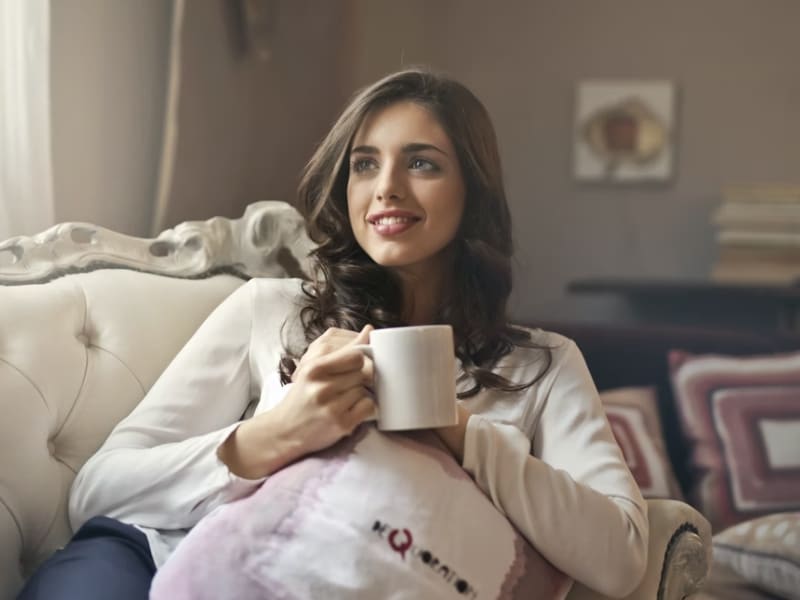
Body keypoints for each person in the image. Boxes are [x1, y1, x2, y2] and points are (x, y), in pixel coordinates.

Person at [17, 68, 648, 599]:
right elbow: (99, 488)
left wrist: (461, 434)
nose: (386, 189)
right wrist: (273, 435)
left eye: (422, 163)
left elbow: (621, 557)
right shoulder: (271, 310)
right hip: (155, 559)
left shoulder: (542, 365)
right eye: (365, 164)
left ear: (473, 193)